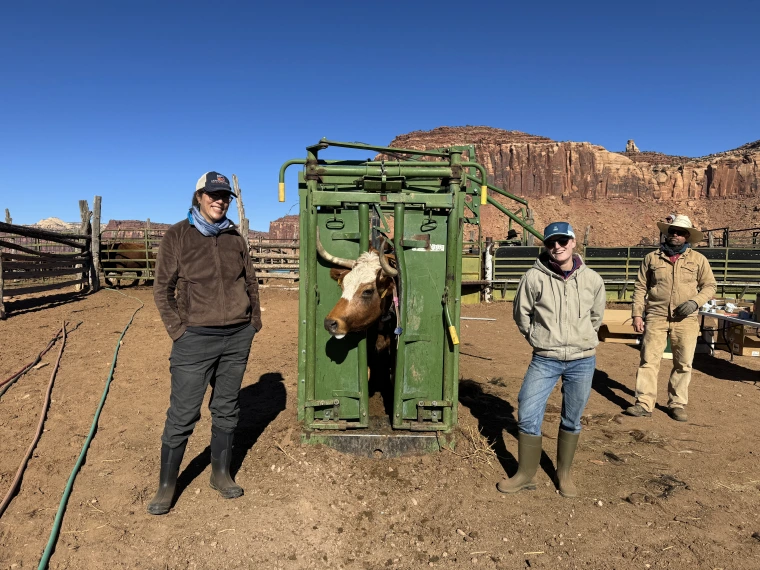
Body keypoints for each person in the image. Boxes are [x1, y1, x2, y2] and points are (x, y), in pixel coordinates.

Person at [148, 171, 262, 515]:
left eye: (225, 195)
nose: (220, 200)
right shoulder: (178, 235)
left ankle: (221, 474)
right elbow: (161, 289)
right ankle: (167, 485)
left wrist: (253, 322)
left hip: (236, 336)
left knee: (227, 409)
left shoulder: (233, 237)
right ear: (199, 196)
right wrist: (179, 330)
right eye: (213, 194)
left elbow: (251, 282)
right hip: (194, 338)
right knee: (183, 413)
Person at [498, 222, 606, 498]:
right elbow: (521, 314)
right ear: (546, 246)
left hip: (582, 360)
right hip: (546, 358)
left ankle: (564, 474)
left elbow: (596, 317)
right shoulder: (533, 278)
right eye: (551, 243)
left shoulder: (592, 279)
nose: (557, 247)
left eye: (562, 241)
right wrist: (537, 338)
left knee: (572, 418)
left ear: (572, 242)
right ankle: (525, 474)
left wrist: (583, 338)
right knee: (527, 411)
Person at [624, 215, 716, 422]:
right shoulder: (652, 258)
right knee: (649, 360)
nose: (675, 235)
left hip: (686, 320)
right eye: (672, 231)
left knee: (683, 363)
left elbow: (710, 286)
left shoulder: (698, 260)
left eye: (680, 232)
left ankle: (677, 404)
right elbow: (640, 287)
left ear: (687, 237)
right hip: (656, 316)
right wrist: (637, 314)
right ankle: (644, 403)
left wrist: (695, 302)